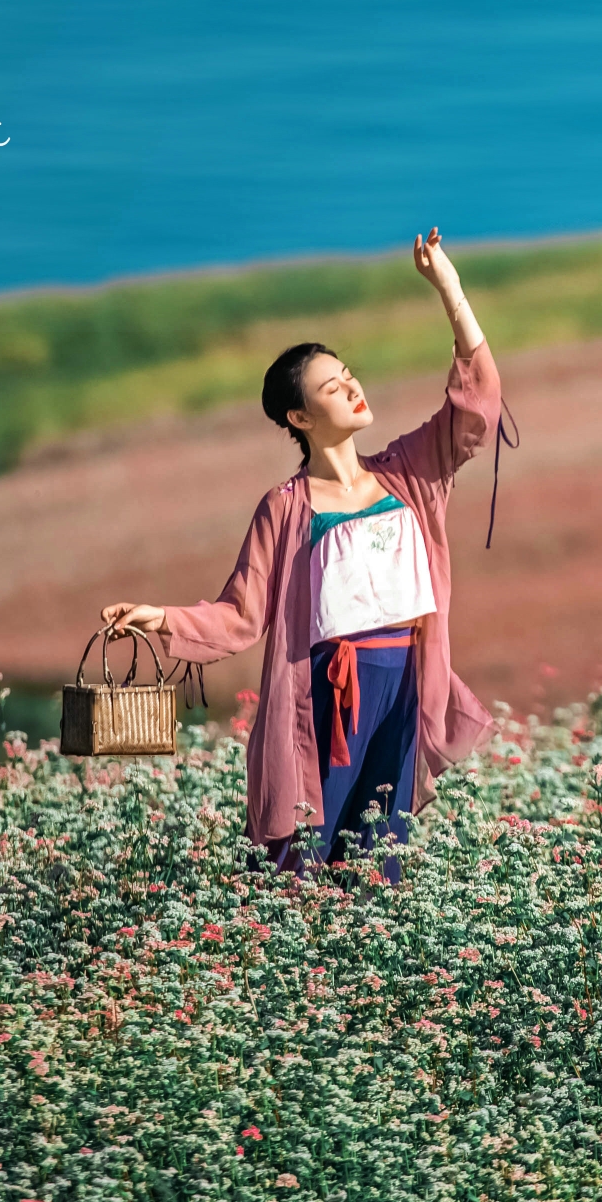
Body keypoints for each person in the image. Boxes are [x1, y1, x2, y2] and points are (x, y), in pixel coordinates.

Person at [99, 226, 504, 885]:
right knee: (305, 868)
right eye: (330, 386)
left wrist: (450, 290)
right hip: (324, 701)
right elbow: (239, 614)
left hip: (403, 687)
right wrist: (159, 618)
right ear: (298, 417)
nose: (351, 389)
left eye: (349, 377)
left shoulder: (410, 472)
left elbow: (478, 403)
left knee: (381, 866)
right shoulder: (285, 507)